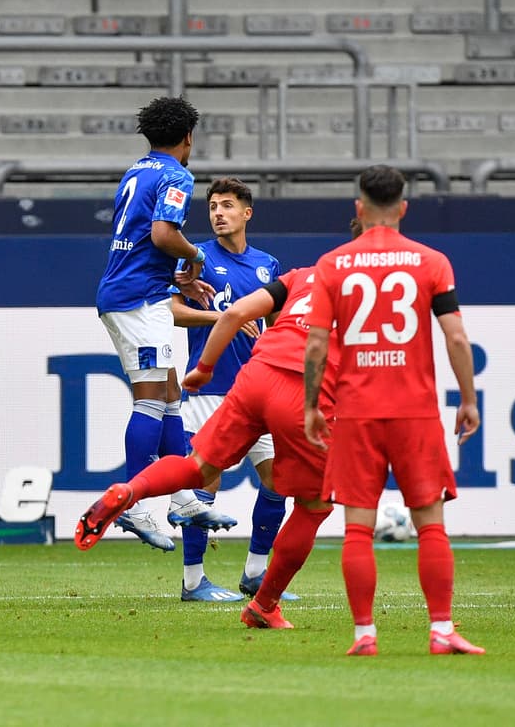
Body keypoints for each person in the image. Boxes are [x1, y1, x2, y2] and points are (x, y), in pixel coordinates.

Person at [76, 244, 350, 632]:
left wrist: (203, 368)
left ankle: (131, 491)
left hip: (255, 375)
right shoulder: (368, 289)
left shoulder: (302, 274)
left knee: (196, 469)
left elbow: (237, 313)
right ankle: (261, 605)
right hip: (300, 388)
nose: (220, 212)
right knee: (313, 504)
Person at [304, 165, 484, 657]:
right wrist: (468, 400)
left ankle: (364, 635)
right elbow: (455, 336)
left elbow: (317, 343)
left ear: (358, 209)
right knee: (430, 524)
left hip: (357, 412)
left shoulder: (332, 264)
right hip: (415, 413)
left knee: (358, 527)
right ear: (403, 208)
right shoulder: (432, 262)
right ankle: (442, 631)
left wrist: (311, 406)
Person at [92, 95, 215, 551]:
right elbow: (164, 234)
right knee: (150, 400)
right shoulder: (176, 174)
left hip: (142, 292)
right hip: (136, 298)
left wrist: (176, 278)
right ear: (188, 137)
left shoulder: (137, 170)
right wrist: (196, 254)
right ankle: (133, 503)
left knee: (169, 395)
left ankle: (181, 496)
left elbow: (149, 238)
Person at [168, 177, 288, 602]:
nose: (219, 213)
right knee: (206, 482)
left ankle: (256, 576)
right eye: (214, 206)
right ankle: (193, 581)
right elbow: (175, 312)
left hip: (260, 390)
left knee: (279, 479)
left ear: (246, 213)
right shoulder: (197, 259)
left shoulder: (267, 265)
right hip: (211, 391)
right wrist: (224, 320)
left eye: (227, 206)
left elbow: (279, 327)